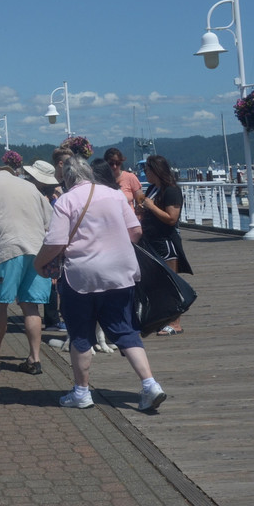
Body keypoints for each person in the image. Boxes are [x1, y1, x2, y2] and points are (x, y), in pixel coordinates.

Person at [34, 156, 168, 412]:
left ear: (68, 178)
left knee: (81, 333)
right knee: (125, 329)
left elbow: (56, 243)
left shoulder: (66, 200)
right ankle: (150, 385)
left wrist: (38, 264)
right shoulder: (114, 195)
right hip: (120, 274)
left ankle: (82, 392)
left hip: (81, 277)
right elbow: (136, 232)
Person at [0, 166, 53, 374]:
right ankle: (35, 359)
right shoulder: (30, 187)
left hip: (8, 252)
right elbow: (49, 223)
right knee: (31, 306)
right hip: (37, 251)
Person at [137, 154, 192, 335]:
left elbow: (171, 218)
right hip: (151, 240)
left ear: (157, 171)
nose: (146, 174)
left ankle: (175, 323)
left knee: (171, 282)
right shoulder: (153, 188)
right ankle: (159, 319)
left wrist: (151, 207)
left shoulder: (171, 191)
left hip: (166, 243)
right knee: (155, 283)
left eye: (148, 170)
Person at [23, 160, 65, 333]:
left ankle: (50, 318)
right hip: (39, 243)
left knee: (37, 288)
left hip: (26, 243)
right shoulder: (40, 196)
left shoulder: (26, 191)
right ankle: (52, 320)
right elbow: (50, 227)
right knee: (50, 283)